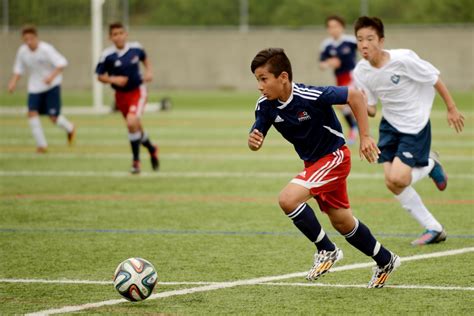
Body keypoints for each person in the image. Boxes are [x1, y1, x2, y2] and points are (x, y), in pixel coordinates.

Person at [248, 48, 400, 288]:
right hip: (314, 164)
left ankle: (327, 249)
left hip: (335, 157)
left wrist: (366, 136)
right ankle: (385, 260)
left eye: (263, 79)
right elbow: (257, 135)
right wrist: (253, 141)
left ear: (283, 77)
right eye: (257, 80)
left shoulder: (310, 95)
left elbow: (356, 96)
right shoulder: (265, 106)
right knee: (342, 222)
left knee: (288, 199)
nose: (259, 86)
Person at [353, 17, 465, 245]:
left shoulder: (403, 59)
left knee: (399, 177)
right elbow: (372, 109)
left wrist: (451, 108)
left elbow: (434, 78)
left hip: (415, 124)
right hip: (390, 125)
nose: (364, 44)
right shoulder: (361, 71)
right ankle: (433, 228)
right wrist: (355, 103)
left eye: (370, 39)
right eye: (360, 40)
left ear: (381, 41)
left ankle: (432, 164)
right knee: (391, 182)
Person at [96, 22, 159, 174]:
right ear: (110, 37)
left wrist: (149, 72)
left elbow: (145, 59)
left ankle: (136, 161)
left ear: (126, 34)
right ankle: (151, 148)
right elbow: (100, 76)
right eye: (115, 34)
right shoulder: (107, 56)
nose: (118, 37)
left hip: (137, 92)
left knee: (131, 122)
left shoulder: (136, 48)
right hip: (121, 96)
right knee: (135, 126)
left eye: (121, 33)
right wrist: (114, 80)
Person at [8, 25, 76, 153]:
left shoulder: (46, 49)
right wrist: (13, 82)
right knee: (31, 113)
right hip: (34, 87)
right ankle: (41, 145)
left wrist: (51, 77)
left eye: (31, 38)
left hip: (51, 86)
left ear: (36, 37)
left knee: (53, 117)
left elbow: (62, 63)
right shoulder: (22, 51)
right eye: (26, 39)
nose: (29, 42)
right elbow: (18, 69)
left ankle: (70, 127)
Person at [319, 15, 358, 144]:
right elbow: (322, 64)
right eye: (330, 27)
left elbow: (366, 49)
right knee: (346, 106)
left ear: (342, 27)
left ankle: (354, 128)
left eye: (336, 26)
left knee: (342, 104)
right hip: (340, 79)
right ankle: (355, 126)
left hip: (352, 76)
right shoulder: (327, 45)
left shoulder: (351, 41)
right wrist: (329, 62)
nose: (333, 29)